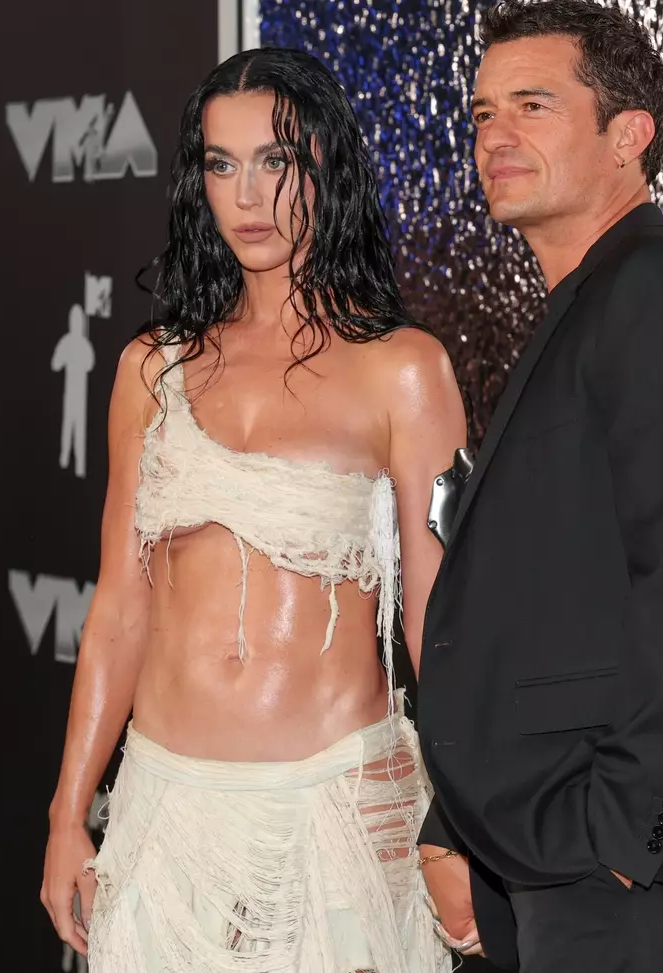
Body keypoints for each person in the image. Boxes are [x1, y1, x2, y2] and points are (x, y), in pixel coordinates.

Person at [416, 2, 663, 970]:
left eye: (533, 105)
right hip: (551, 844)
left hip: (631, 858)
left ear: (628, 136)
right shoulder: (590, 305)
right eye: (480, 113)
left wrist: (620, 832)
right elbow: (540, 600)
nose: (496, 136)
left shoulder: (662, 292)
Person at [39, 47, 466, 973]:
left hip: (337, 817)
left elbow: (441, 623)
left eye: (276, 161)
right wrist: (70, 811)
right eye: (222, 164)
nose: (248, 195)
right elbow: (119, 603)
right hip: (164, 812)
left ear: (328, 166)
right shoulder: (150, 370)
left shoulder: (403, 369)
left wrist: (465, 822)